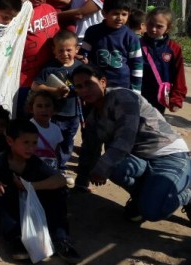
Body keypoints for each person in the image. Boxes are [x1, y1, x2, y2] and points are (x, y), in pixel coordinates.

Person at [71, 64, 191, 224]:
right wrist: (81, 182)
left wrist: (102, 167)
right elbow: (89, 149)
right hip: (140, 159)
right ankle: (144, 199)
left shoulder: (123, 97)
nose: (84, 89)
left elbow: (125, 138)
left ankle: (186, 194)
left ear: (103, 82)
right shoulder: (94, 117)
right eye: (79, 87)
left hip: (168, 154)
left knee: (152, 211)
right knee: (112, 166)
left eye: (89, 83)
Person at [0, 119, 81, 264]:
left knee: (58, 191)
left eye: (34, 143)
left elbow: (60, 180)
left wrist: (31, 186)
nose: (31, 148)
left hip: (28, 207)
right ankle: (16, 239)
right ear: (10, 141)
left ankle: (60, 239)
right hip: (7, 210)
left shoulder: (35, 162)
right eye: (26, 143)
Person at [31, 29, 83, 171]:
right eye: (60, 50)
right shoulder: (49, 68)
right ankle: (50, 166)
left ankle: (61, 166)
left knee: (68, 141)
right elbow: (35, 85)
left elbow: (86, 86)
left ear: (76, 49)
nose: (65, 54)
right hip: (54, 114)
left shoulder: (80, 67)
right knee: (53, 140)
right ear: (53, 50)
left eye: (68, 50)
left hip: (74, 114)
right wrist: (53, 90)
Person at [17, 0, 61, 116]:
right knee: (23, 121)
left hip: (46, 79)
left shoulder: (50, 9)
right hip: (22, 81)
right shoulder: (15, 11)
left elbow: (57, 38)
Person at [81, 0, 143, 93]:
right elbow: (84, 55)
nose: (120, 18)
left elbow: (137, 65)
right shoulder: (92, 32)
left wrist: (136, 91)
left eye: (124, 14)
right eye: (115, 14)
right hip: (97, 85)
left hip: (122, 87)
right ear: (104, 13)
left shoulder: (131, 37)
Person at [141, 7, 186, 114]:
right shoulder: (136, 44)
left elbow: (179, 75)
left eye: (159, 26)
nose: (153, 29)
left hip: (159, 97)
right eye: (150, 24)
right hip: (138, 93)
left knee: (154, 126)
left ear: (168, 28)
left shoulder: (174, 48)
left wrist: (176, 99)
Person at [26, 91, 64, 172]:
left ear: (54, 108)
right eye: (39, 106)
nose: (44, 109)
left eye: (47, 106)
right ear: (31, 109)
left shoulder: (56, 129)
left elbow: (56, 152)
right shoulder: (26, 128)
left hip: (49, 171)